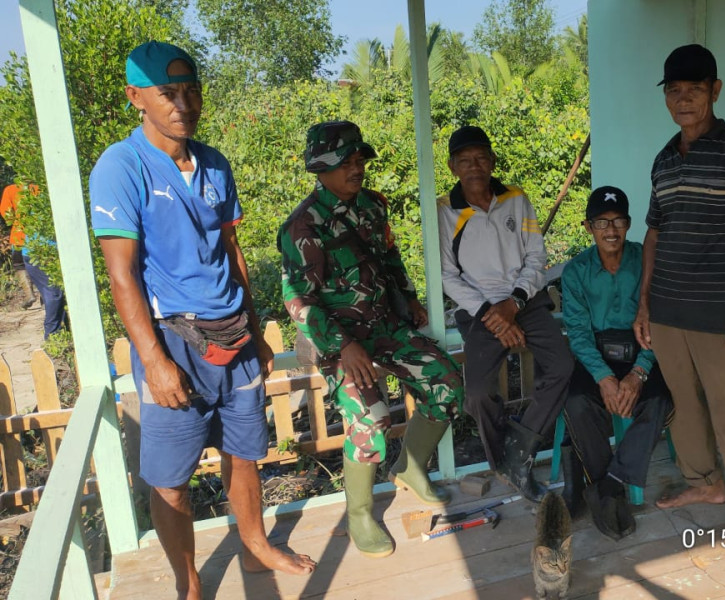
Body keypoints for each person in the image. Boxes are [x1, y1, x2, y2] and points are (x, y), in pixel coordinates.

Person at [90, 41, 315, 599]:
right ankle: (188, 582)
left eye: (191, 91)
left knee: (245, 452)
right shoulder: (122, 167)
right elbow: (122, 275)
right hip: (174, 340)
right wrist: (153, 361)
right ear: (136, 97)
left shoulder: (214, 163)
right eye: (168, 93)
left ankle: (256, 548)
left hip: (233, 336)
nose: (183, 104)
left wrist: (256, 332)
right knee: (170, 479)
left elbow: (231, 250)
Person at [278, 120, 464, 558]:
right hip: (341, 341)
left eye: (360, 159)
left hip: (385, 326)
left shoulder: (373, 205)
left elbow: (390, 257)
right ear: (321, 168)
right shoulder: (303, 226)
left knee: (446, 382)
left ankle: (410, 467)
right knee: (371, 422)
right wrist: (343, 346)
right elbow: (298, 300)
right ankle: (359, 514)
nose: (357, 168)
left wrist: (409, 297)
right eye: (346, 161)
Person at [633, 44, 725, 534]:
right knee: (685, 408)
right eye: (674, 90)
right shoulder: (663, 160)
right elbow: (654, 234)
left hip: (722, 313)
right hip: (668, 311)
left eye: (694, 89)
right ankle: (707, 484)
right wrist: (644, 303)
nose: (683, 99)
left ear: (715, 90)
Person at [437, 126, 573, 502]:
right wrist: (491, 314)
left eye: (481, 158)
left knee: (562, 366)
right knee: (478, 394)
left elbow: (536, 256)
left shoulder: (516, 198)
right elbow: (446, 275)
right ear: (452, 167)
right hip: (478, 310)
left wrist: (513, 303)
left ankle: (520, 448)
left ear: (493, 161)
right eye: (465, 160)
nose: (474, 166)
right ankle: (504, 460)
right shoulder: (443, 210)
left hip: (524, 301)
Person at [561, 186, 673, 540]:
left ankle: (610, 484)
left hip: (641, 350)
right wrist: (604, 377)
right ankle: (606, 485)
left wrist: (639, 372)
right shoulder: (576, 271)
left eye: (618, 221)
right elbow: (578, 333)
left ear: (629, 223)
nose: (611, 230)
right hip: (596, 355)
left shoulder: (646, 261)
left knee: (660, 399)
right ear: (588, 227)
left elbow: (660, 319)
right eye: (601, 222)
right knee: (577, 402)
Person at [1, 183, 40, 310]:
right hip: (40, 236)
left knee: (19, 265)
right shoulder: (39, 187)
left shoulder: (10, 190)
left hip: (19, 236)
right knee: (41, 265)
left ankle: (29, 295)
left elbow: (6, 214)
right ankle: (45, 295)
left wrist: (17, 221)